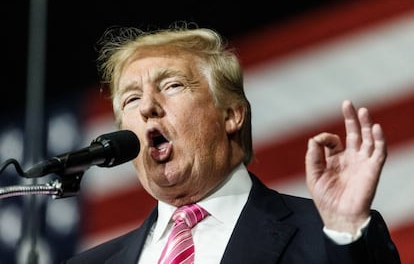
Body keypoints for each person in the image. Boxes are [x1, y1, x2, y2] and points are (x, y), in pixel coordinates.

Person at [65, 22, 400, 263]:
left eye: (172, 86)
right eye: (132, 99)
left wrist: (344, 234)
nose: (148, 107)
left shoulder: (325, 234)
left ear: (232, 115)